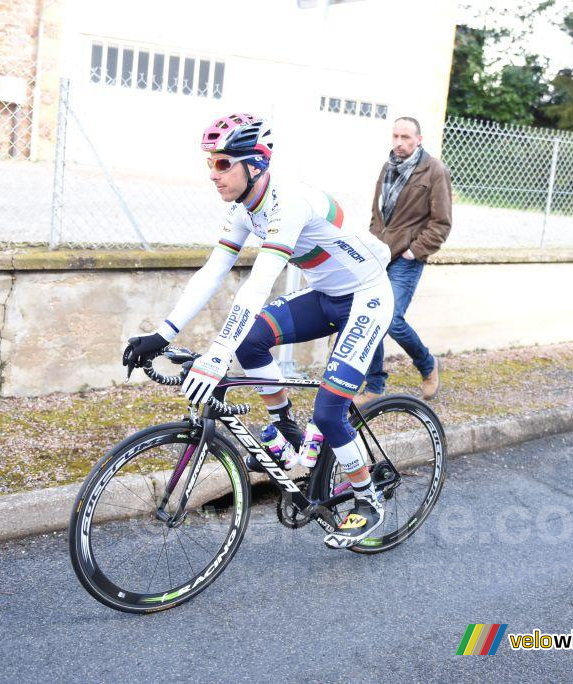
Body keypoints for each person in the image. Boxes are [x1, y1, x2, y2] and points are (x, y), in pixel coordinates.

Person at [121, 113, 394, 549]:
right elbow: (213, 271)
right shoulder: (245, 209)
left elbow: (259, 282)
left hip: (366, 297)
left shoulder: (289, 203)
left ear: (255, 164)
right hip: (325, 294)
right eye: (210, 163)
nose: (213, 174)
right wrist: (162, 334)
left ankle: (367, 498)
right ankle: (288, 432)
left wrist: (215, 355)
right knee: (250, 341)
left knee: (329, 412)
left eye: (222, 163)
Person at [354, 116, 452, 407]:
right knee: (371, 316)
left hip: (407, 258)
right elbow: (378, 214)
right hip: (379, 255)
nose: (399, 142)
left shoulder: (434, 170)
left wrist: (415, 251)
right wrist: (372, 243)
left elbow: (441, 223)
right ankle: (374, 386)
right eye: (395, 136)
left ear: (419, 139)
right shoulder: (388, 167)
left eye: (406, 137)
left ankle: (427, 364)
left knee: (392, 320)